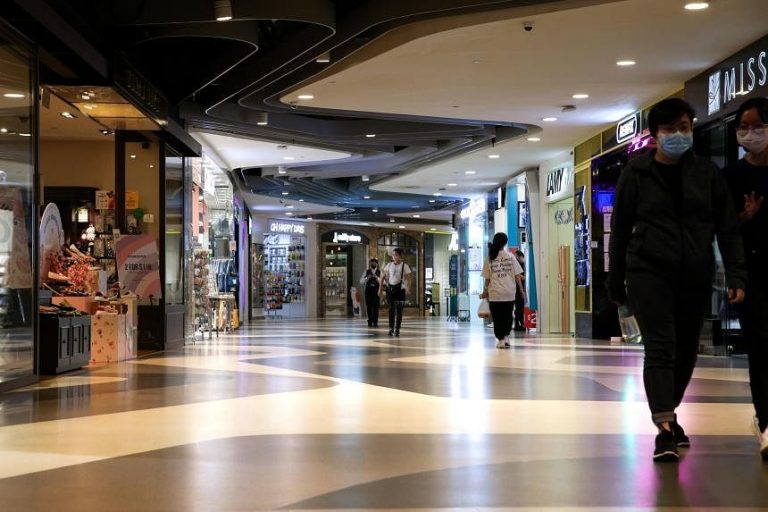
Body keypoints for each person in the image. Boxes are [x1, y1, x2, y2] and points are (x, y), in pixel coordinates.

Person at [607, 97, 747, 462]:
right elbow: (619, 230)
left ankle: (669, 412)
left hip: (695, 273)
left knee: (686, 350)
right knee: (660, 346)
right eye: (669, 129)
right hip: (647, 271)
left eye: (684, 128)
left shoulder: (707, 174)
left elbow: (727, 228)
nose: (678, 135)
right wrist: (615, 281)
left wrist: (735, 273)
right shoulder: (636, 173)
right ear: (655, 134)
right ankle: (665, 429)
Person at [723, 97, 768, 459]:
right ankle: (766, 423)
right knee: (761, 349)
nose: (750, 133)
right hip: (751, 275)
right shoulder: (732, 177)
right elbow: (722, 229)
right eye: (743, 127)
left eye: (757, 126)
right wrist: (744, 218)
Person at [481, 233, 524, 348]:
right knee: (508, 316)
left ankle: (500, 339)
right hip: (509, 292)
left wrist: (485, 290)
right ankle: (506, 337)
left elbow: (487, 278)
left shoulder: (490, 258)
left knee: (497, 317)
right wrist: (521, 290)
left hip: (495, 293)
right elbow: (517, 275)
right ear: (505, 243)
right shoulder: (510, 256)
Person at [380, 248, 411, 336]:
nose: (393, 256)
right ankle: (391, 328)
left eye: (396, 255)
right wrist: (380, 289)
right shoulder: (389, 265)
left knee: (399, 310)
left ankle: (397, 329)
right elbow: (382, 277)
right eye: (393, 255)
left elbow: (408, 278)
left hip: (400, 291)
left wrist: (408, 288)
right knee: (391, 309)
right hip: (390, 290)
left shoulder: (404, 266)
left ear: (400, 256)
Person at [359, 258, 381, 327]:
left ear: (377, 264)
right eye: (372, 262)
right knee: (369, 306)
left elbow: (384, 282)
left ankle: (375, 321)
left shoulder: (379, 272)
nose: (373, 264)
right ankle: (370, 320)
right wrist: (367, 278)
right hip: (368, 291)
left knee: (376, 307)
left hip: (376, 291)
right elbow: (361, 281)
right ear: (370, 264)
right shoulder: (366, 271)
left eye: (374, 262)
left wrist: (377, 278)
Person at [513, 250, 526, 331]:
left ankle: (519, 323)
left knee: (519, 306)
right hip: (518, 288)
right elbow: (516, 275)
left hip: (517, 288)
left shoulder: (520, 263)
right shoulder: (518, 263)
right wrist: (522, 277)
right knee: (519, 306)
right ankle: (519, 324)